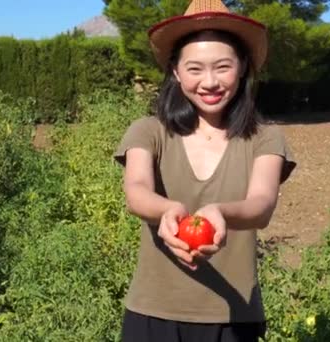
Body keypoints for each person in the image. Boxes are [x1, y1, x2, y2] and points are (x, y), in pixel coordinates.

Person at [113, 0, 296, 341]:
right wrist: (169, 209)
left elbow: (262, 205)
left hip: (233, 317)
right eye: (195, 69)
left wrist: (220, 212)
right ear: (176, 72)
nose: (209, 82)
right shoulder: (148, 131)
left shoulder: (265, 138)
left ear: (242, 67)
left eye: (222, 67)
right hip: (153, 312)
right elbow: (136, 190)